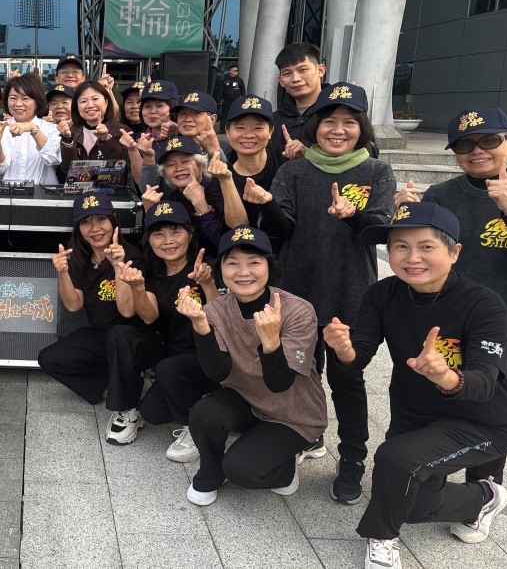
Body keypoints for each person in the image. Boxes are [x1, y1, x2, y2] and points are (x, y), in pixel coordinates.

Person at [324, 202, 507, 569]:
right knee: (412, 502)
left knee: (393, 459)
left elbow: (485, 381)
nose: (412, 257)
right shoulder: (381, 294)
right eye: (400, 246)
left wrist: (446, 376)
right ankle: (483, 498)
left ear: (454, 252)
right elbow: (359, 355)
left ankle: (381, 537)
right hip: (414, 412)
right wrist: (344, 349)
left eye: (426, 246)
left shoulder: (485, 305)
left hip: (482, 421)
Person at [247, 82, 396, 505]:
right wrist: (267, 204)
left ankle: (352, 459)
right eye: (330, 121)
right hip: (298, 291)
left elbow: (379, 230)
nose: (339, 130)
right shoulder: (293, 170)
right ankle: (303, 437)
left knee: (347, 378)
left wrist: (354, 214)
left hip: (351, 293)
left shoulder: (376, 171)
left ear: (362, 128)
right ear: (315, 125)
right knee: (300, 373)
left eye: (350, 122)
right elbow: (283, 229)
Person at [397, 106, 507, 486]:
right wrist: (407, 217)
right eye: (465, 145)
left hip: (502, 325)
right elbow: (422, 255)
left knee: (490, 406)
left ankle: (483, 494)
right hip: (448, 318)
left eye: (488, 140)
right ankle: (428, 484)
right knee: (437, 392)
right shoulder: (442, 194)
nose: (477, 150)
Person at [177, 226, 326, 506]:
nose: (243, 272)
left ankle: (285, 468)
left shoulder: (298, 311)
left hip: (293, 414)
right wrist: (200, 325)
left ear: (269, 266)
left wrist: (271, 341)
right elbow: (218, 372)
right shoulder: (215, 309)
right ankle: (210, 471)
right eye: (232, 263)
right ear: (220, 269)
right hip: (247, 398)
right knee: (204, 413)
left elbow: (280, 384)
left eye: (254, 262)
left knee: (241, 471)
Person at [37, 193, 150, 444]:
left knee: (119, 334)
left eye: (101, 219)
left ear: (113, 221)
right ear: (78, 228)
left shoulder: (132, 255)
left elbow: (127, 311)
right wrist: (62, 272)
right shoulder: (80, 258)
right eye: (86, 222)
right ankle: (115, 382)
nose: (95, 228)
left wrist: (119, 266)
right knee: (50, 358)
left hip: (134, 337)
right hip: (102, 335)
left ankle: (128, 409)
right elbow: (73, 305)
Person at [121, 202, 220, 460]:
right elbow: (149, 316)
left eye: (176, 231)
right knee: (152, 412)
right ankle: (206, 400)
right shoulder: (154, 275)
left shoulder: (207, 268)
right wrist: (138, 288)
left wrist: (208, 284)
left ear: (190, 234)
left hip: (213, 357)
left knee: (167, 369)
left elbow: (223, 320)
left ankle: (197, 428)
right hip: (176, 360)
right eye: (159, 234)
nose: (168, 241)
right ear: (149, 241)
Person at [140, 137, 225, 251]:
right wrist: (150, 212)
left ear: (201, 164)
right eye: (171, 164)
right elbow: (157, 248)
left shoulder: (220, 189)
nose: (179, 168)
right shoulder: (170, 199)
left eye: (185, 161)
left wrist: (201, 205)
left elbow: (225, 245)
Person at [0, 71, 61, 185]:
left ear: (37, 101)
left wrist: (33, 128)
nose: (18, 104)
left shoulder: (51, 129)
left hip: (42, 193)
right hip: (7, 192)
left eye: (25, 98)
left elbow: (53, 159)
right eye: (13, 98)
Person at [224, 94, 283, 234]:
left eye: (258, 128)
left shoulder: (286, 160)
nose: (248, 135)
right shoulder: (222, 175)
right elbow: (237, 226)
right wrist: (225, 181)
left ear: (270, 131)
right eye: (240, 128)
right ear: (227, 131)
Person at [58, 80, 125, 180]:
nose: (90, 105)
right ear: (77, 106)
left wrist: (106, 139)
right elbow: (66, 169)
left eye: (95, 99)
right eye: (83, 101)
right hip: (78, 189)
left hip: (110, 189)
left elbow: (122, 168)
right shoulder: (71, 131)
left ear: (106, 102)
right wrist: (67, 139)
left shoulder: (121, 130)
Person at [270, 42, 326, 160]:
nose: (295, 79)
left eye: (302, 70)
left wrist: (309, 154)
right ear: (281, 81)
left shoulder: (338, 113)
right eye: (287, 73)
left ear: (320, 70)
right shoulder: (272, 121)